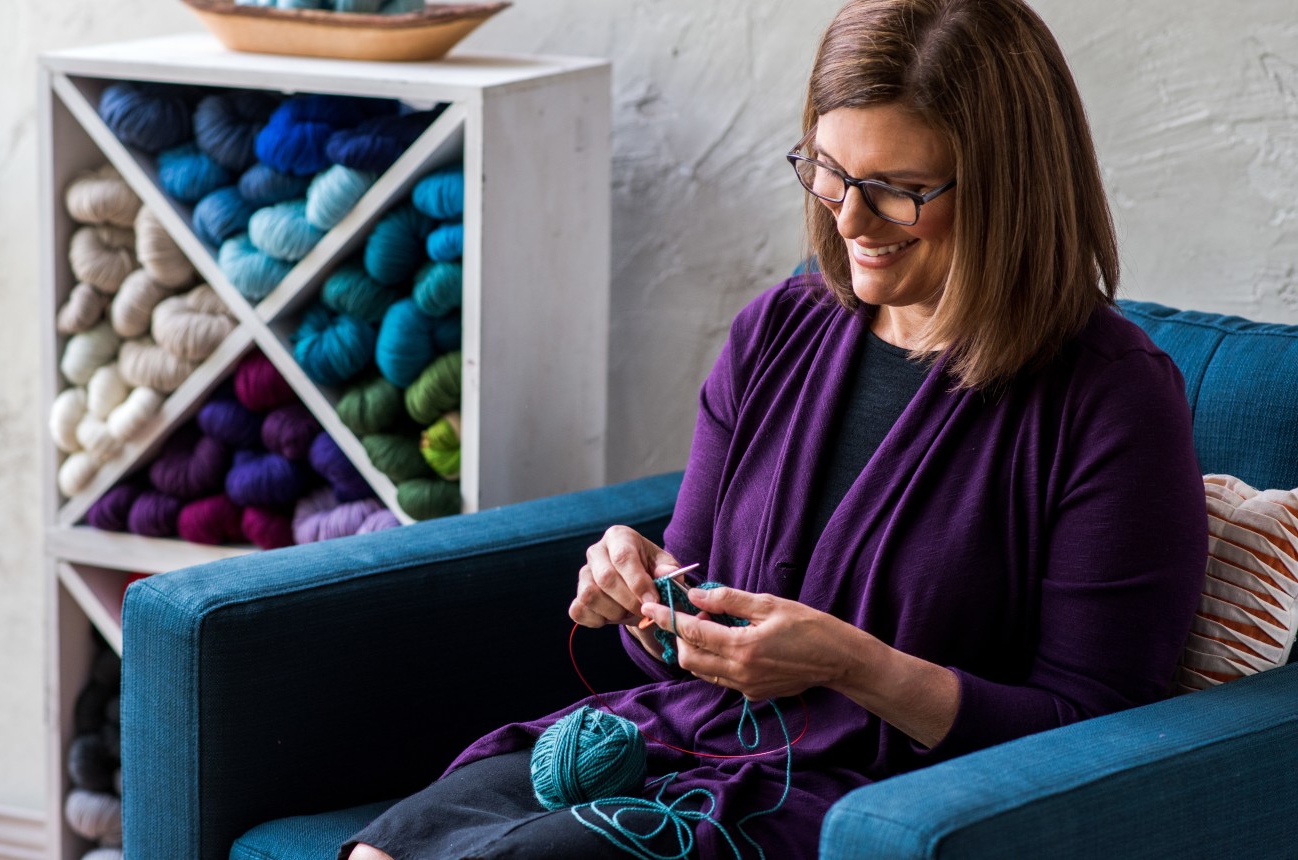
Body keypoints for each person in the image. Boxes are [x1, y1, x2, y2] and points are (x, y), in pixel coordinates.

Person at [342, 0, 1209, 856]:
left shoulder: (1112, 402)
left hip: (863, 798)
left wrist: (856, 667)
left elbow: (1097, 734)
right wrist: (645, 596)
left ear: (1013, 189)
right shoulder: (778, 332)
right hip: (673, 738)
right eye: (829, 171)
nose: (849, 221)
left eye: (899, 192)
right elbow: (681, 644)